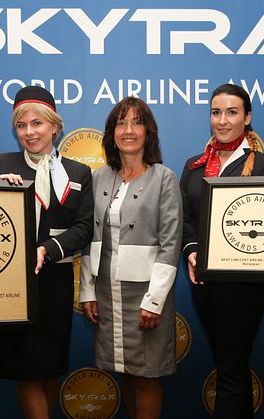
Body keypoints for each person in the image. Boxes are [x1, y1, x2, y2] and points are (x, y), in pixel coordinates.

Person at [0, 86, 93, 419]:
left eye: (37, 124)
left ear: (55, 126)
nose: (29, 133)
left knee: (49, 367)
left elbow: (84, 228)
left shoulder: (78, 172)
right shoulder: (2, 164)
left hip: (54, 282)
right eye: (21, 126)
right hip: (11, 281)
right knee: (26, 369)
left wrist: (47, 249)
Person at [180, 83, 264, 419]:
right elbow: (185, 218)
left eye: (232, 112)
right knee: (232, 368)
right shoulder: (194, 165)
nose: (222, 121)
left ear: (247, 117)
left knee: (230, 369)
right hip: (205, 288)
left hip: (243, 289)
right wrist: (191, 250)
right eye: (216, 112)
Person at [79, 97, 182, 419]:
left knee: (146, 375)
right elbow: (88, 238)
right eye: (120, 123)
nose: (128, 130)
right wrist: (88, 291)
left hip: (146, 294)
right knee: (122, 369)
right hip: (107, 292)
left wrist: (154, 301)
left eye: (136, 122)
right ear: (111, 134)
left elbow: (171, 244)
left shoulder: (164, 178)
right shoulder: (97, 179)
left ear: (148, 132)